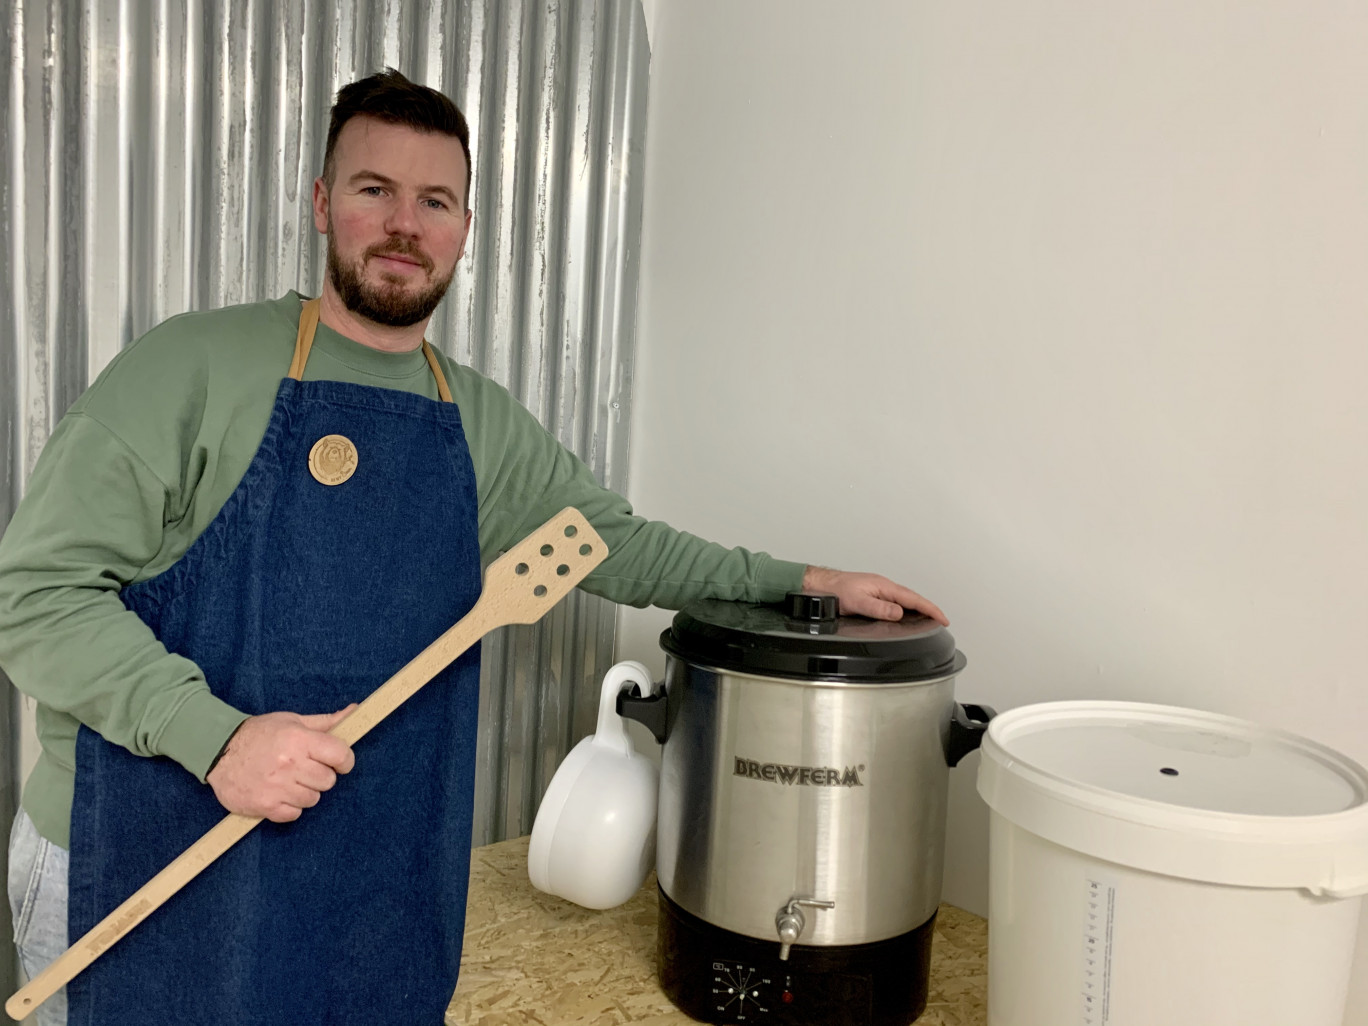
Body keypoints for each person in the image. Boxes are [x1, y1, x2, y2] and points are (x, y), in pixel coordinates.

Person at [0, 69, 946, 1026]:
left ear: (463, 228)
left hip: (352, 874)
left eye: (435, 200)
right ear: (325, 205)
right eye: (375, 190)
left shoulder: (476, 423)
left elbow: (614, 547)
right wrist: (222, 739)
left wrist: (805, 582)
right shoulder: (190, 367)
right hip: (135, 850)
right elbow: (35, 598)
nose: (405, 224)